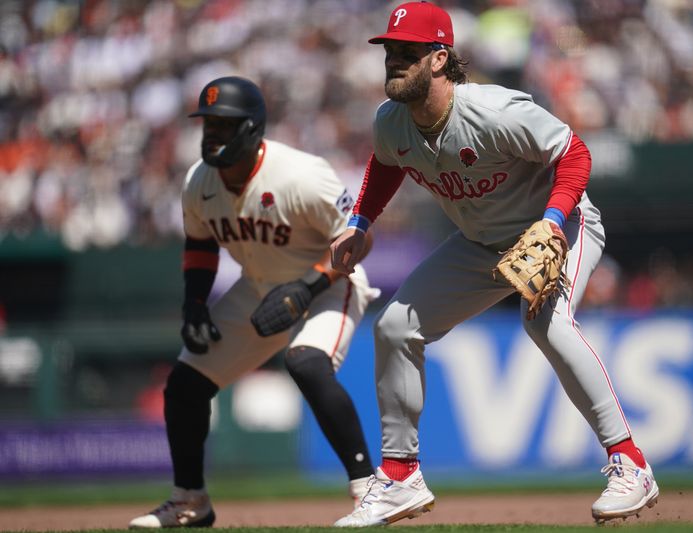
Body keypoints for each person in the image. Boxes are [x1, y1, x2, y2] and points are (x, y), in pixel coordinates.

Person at [329, 2, 659, 527]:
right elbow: (387, 161)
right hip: (481, 241)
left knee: (545, 322)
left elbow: (574, 154)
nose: (393, 60)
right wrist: (361, 222)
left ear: (439, 59)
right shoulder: (391, 120)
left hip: (560, 227)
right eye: (389, 50)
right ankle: (399, 477)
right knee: (395, 327)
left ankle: (631, 464)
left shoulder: (493, 110)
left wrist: (551, 222)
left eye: (406, 52)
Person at [130, 76, 378, 528]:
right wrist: (195, 304)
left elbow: (357, 240)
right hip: (259, 286)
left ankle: (369, 489)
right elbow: (201, 245)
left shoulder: (301, 174)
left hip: (330, 283)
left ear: (250, 129)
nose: (213, 136)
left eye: (223, 126)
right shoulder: (198, 181)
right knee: (185, 384)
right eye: (208, 126)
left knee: (304, 361)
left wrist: (308, 286)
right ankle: (191, 500)